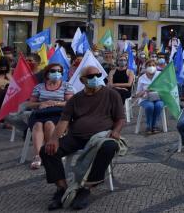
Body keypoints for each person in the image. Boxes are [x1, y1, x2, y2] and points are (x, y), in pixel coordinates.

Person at [40, 65, 124, 210]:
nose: (95, 79)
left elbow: (120, 119)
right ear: (82, 80)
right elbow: (63, 121)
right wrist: (53, 139)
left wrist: (116, 131)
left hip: (100, 137)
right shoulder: (76, 99)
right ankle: (63, 189)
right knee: (47, 150)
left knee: (110, 147)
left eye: (98, 75)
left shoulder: (111, 94)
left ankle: (86, 188)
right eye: (91, 77)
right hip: (76, 137)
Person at [26, 62, 74, 170]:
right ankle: (38, 156)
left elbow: (70, 103)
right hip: (40, 113)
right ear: (47, 73)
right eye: (53, 71)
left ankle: (51, 152)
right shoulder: (39, 87)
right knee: (38, 125)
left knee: (49, 124)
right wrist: (40, 104)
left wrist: (55, 103)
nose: (56, 73)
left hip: (58, 113)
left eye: (59, 71)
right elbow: (30, 104)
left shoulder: (66, 85)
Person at [135, 59, 164, 135]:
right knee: (150, 106)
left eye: (153, 65)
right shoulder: (141, 78)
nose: (151, 67)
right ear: (145, 67)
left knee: (159, 105)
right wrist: (145, 91)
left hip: (158, 98)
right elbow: (137, 94)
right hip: (145, 99)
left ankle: (155, 126)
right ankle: (149, 126)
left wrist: (157, 90)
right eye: (149, 65)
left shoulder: (160, 75)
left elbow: (165, 88)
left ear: (156, 66)